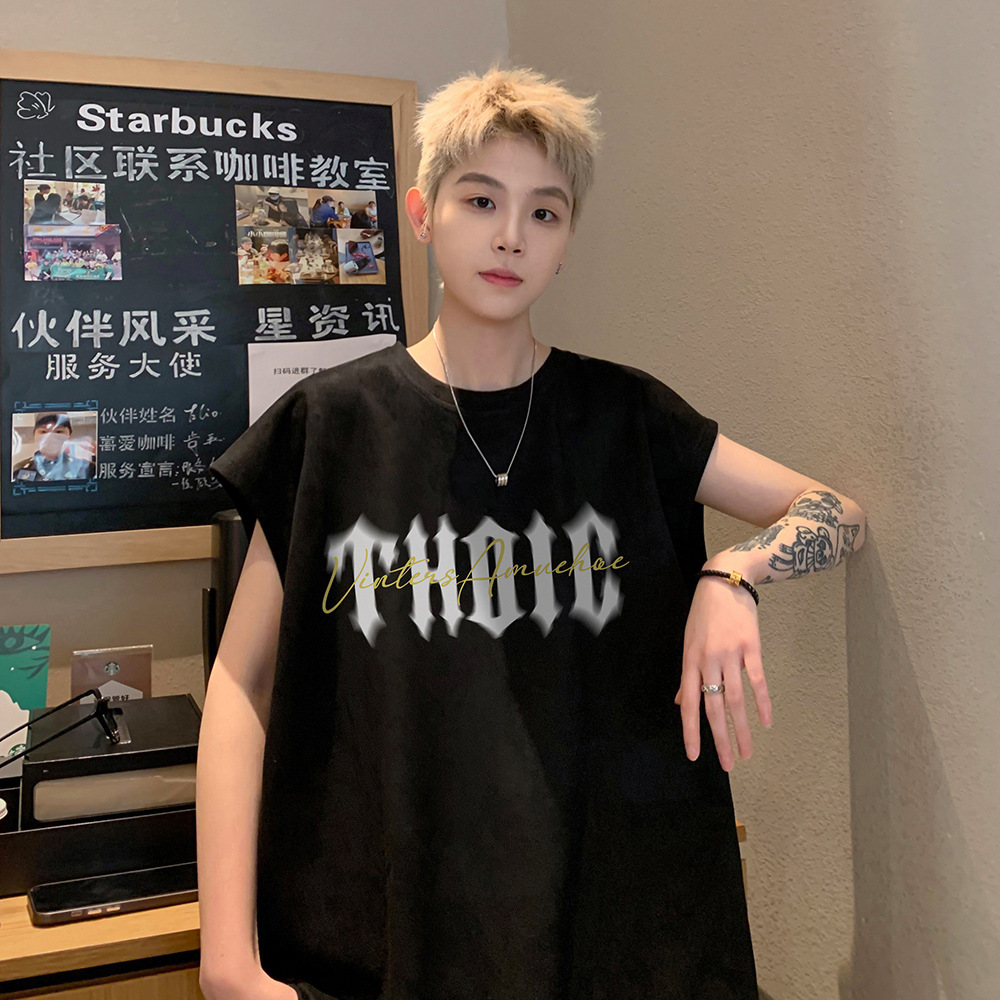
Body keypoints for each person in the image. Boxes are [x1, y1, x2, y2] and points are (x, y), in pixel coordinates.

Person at [198, 66, 866, 1000]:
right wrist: (226, 956)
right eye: (481, 200)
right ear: (423, 214)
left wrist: (733, 574)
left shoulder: (626, 417)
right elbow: (242, 680)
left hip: (618, 929)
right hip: (389, 932)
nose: (511, 234)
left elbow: (835, 511)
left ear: (566, 243)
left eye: (544, 212)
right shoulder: (332, 428)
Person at [12, 413, 95, 482]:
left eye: (58, 431)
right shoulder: (21, 470)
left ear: (69, 436)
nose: (50, 436)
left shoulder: (85, 469)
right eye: (43, 432)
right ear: (34, 435)